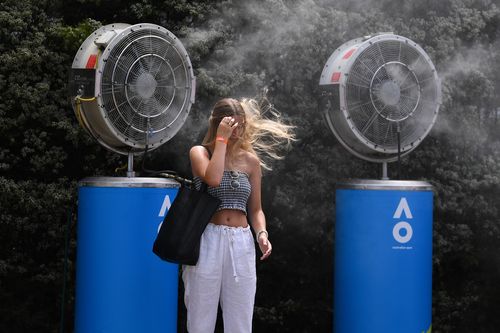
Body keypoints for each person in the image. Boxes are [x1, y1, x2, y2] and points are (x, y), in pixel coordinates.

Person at [182, 97, 295, 333]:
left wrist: (261, 233)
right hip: (207, 240)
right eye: (233, 125)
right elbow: (212, 178)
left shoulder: (251, 162)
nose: (238, 130)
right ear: (218, 123)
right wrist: (221, 140)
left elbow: (255, 209)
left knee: (240, 323)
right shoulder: (200, 152)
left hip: (241, 242)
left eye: (241, 125)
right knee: (200, 321)